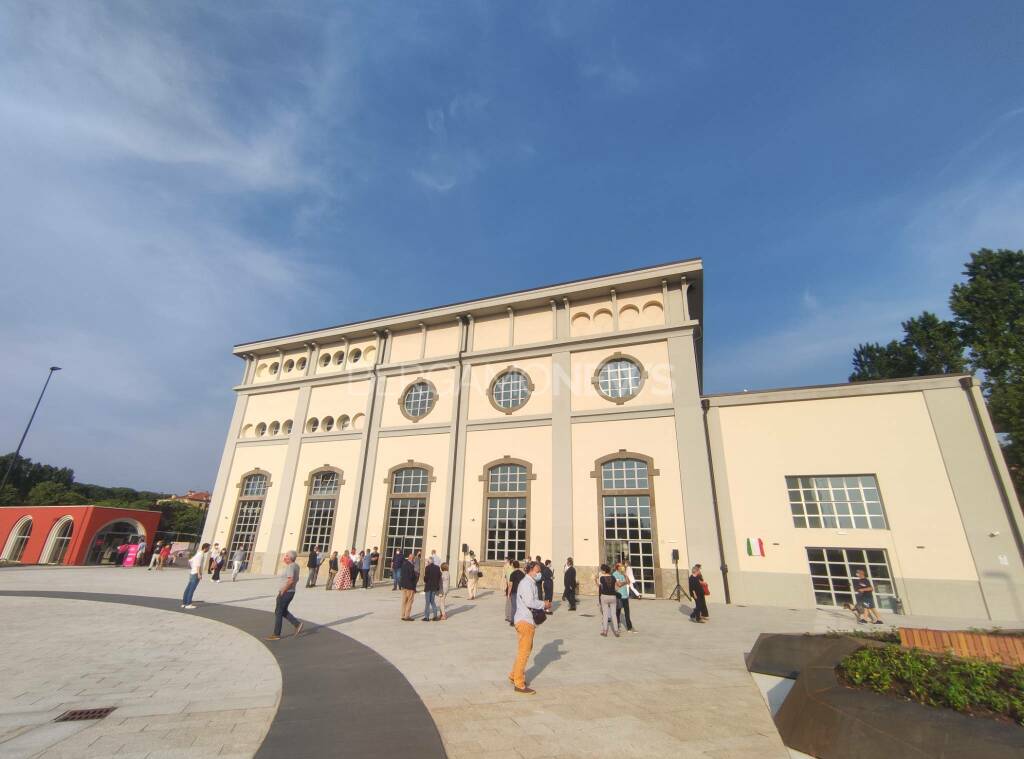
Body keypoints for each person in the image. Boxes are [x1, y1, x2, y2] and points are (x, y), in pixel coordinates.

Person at [509, 561, 549, 695]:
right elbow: (529, 602)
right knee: (524, 652)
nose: (539, 573)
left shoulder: (530, 583)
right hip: (524, 621)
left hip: (526, 620)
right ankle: (519, 683)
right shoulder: (526, 583)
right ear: (530, 570)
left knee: (523, 650)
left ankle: (514, 674)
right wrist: (544, 604)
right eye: (537, 571)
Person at [267, 550, 304, 640]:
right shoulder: (296, 566)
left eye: (286, 556)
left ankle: (276, 634)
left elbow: (291, 580)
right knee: (282, 611)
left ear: (290, 558)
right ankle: (297, 624)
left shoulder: (290, 566)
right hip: (291, 592)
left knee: (278, 612)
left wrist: (283, 590)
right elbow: (296, 579)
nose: (285, 557)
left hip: (286, 592)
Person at [181, 543, 210, 610]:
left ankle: (184, 603)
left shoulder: (198, 553)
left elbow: (190, 560)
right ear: (205, 548)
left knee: (188, 588)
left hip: (192, 572)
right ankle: (188, 604)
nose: (208, 549)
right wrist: (199, 574)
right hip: (196, 573)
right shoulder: (201, 555)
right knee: (192, 589)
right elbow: (198, 565)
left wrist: (192, 568)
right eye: (208, 548)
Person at [596, 564, 620, 637]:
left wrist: (595, 580)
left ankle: (605, 632)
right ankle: (616, 631)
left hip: (604, 596)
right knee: (614, 614)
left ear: (604, 571)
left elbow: (600, 587)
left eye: (602, 570)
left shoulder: (602, 578)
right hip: (613, 596)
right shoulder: (613, 577)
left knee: (605, 614)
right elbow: (616, 587)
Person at [613, 562, 636, 633]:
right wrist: (625, 582)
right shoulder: (614, 574)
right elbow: (619, 584)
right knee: (618, 612)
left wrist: (625, 575)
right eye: (620, 566)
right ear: (617, 567)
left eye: (622, 566)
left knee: (627, 612)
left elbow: (628, 582)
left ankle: (630, 627)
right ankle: (617, 627)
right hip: (619, 595)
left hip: (625, 596)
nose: (622, 567)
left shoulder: (623, 573)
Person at [399, 550, 419, 620]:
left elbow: (402, 575)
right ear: (412, 558)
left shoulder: (404, 564)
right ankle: (407, 616)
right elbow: (411, 576)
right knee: (409, 601)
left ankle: (402, 615)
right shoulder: (411, 566)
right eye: (413, 558)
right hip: (410, 586)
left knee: (404, 601)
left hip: (404, 585)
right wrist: (415, 576)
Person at [507, 560, 525, 626]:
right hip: (521, 593)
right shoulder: (522, 574)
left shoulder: (512, 574)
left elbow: (510, 585)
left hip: (514, 592)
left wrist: (508, 594)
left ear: (513, 566)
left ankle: (513, 621)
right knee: (521, 607)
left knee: (514, 607)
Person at [503, 557, 515, 622]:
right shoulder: (511, 570)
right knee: (510, 603)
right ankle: (510, 617)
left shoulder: (508, 569)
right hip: (511, 587)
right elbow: (510, 582)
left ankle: (507, 616)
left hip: (508, 586)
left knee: (508, 602)